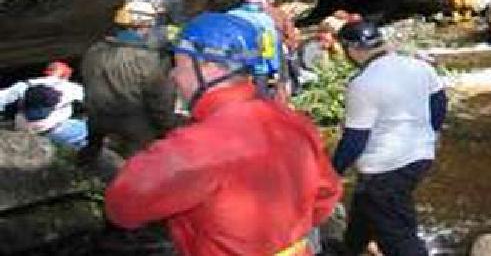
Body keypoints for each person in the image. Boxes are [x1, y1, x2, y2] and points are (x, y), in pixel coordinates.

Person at [105, 13, 342, 256]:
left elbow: (122, 206)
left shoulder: (196, 146)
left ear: (209, 66)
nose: (174, 76)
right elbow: (326, 195)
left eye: (179, 64)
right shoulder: (295, 123)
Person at [332, 20, 446, 256]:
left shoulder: (363, 84)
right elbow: (439, 102)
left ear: (351, 49)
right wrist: (429, 133)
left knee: (397, 235)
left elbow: (355, 139)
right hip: (421, 155)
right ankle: (350, 249)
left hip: (385, 166)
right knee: (366, 206)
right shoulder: (418, 66)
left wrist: (332, 171)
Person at [79, 1, 176, 163]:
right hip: (135, 126)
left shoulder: (94, 50)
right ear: (144, 26)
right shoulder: (148, 58)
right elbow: (159, 100)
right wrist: (168, 128)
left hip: (97, 120)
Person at [0, 61, 87, 149]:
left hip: (23, 127)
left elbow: (1, 99)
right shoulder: (71, 87)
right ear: (66, 75)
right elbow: (90, 100)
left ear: (46, 72)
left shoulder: (24, 84)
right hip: (54, 129)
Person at [228, 0, 286, 99]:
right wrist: (275, 70)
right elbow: (270, 51)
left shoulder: (230, 15)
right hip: (258, 70)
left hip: (232, 69)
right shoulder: (265, 21)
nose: (271, 2)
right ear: (261, 0)